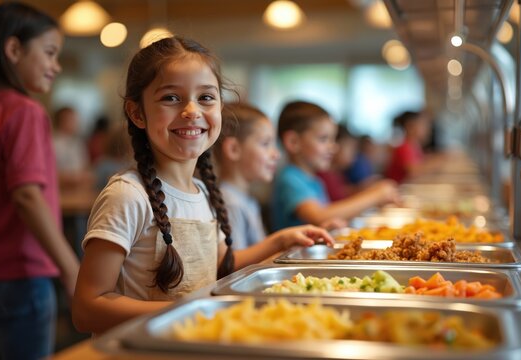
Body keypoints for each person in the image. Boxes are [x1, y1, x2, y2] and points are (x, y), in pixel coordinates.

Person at [72, 37, 334, 334]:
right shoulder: (127, 195)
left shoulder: (205, 191)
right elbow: (87, 308)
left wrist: (281, 241)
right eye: (171, 98)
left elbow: (221, 262)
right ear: (137, 113)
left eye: (206, 98)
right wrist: (195, 309)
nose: (191, 111)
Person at [0, 3, 80, 359]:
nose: (57, 66)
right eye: (50, 53)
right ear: (14, 49)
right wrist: (71, 269)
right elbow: (27, 196)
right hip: (21, 276)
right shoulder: (24, 110)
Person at [271, 101, 399, 231]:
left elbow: (326, 219)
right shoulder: (290, 178)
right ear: (293, 142)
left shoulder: (312, 179)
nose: (333, 147)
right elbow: (320, 216)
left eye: (333, 139)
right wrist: (375, 196)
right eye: (323, 139)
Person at [212, 103, 280, 249]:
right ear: (233, 149)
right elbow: (235, 265)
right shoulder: (231, 203)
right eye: (265, 143)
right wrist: (280, 242)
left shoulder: (245, 198)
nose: (276, 154)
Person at [384, 110, 444, 183]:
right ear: (410, 126)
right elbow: (414, 171)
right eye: (423, 125)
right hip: (400, 190)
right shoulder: (404, 147)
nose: (427, 129)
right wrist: (437, 163)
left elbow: (421, 161)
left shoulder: (414, 146)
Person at [53, 106, 93, 190]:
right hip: (60, 189)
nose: (75, 123)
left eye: (75, 119)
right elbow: (52, 172)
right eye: (71, 119)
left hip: (78, 188)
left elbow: (85, 167)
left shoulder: (78, 143)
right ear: (61, 121)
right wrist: (73, 177)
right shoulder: (53, 143)